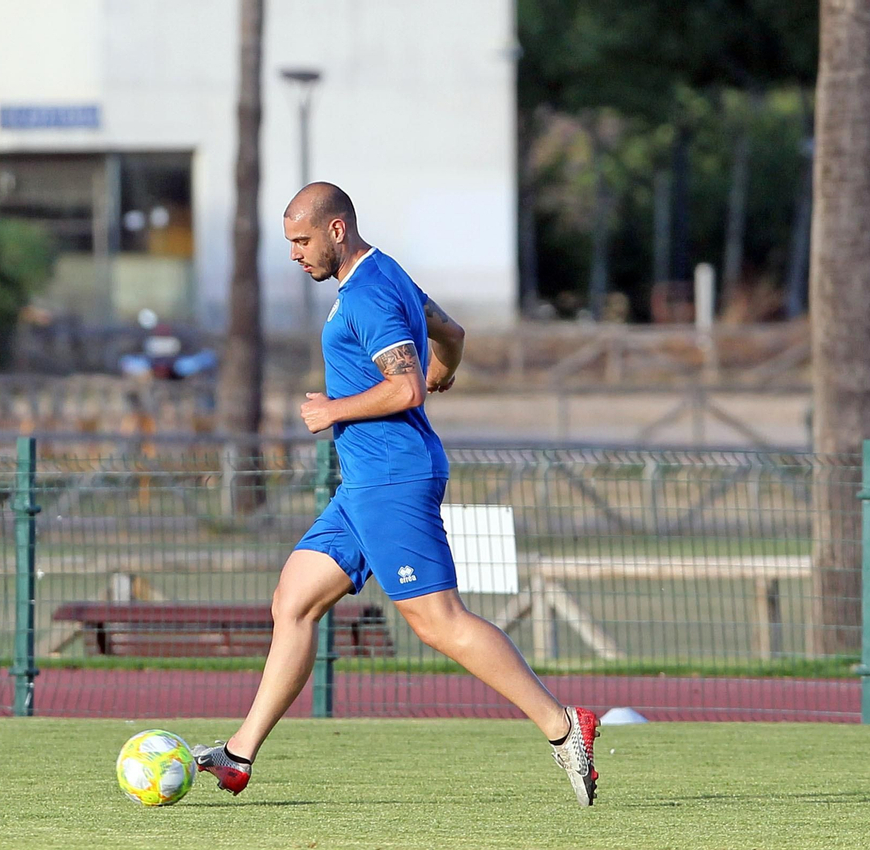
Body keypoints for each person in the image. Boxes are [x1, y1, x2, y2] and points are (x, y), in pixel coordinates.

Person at [193, 183, 601, 807]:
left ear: (336, 230)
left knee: (439, 622)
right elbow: (452, 332)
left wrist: (333, 409)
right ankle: (240, 754)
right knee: (292, 601)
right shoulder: (387, 274)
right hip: (364, 484)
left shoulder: (369, 294)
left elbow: (405, 388)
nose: (295, 254)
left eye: (302, 240)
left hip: (392, 479)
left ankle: (564, 726)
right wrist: (445, 369)